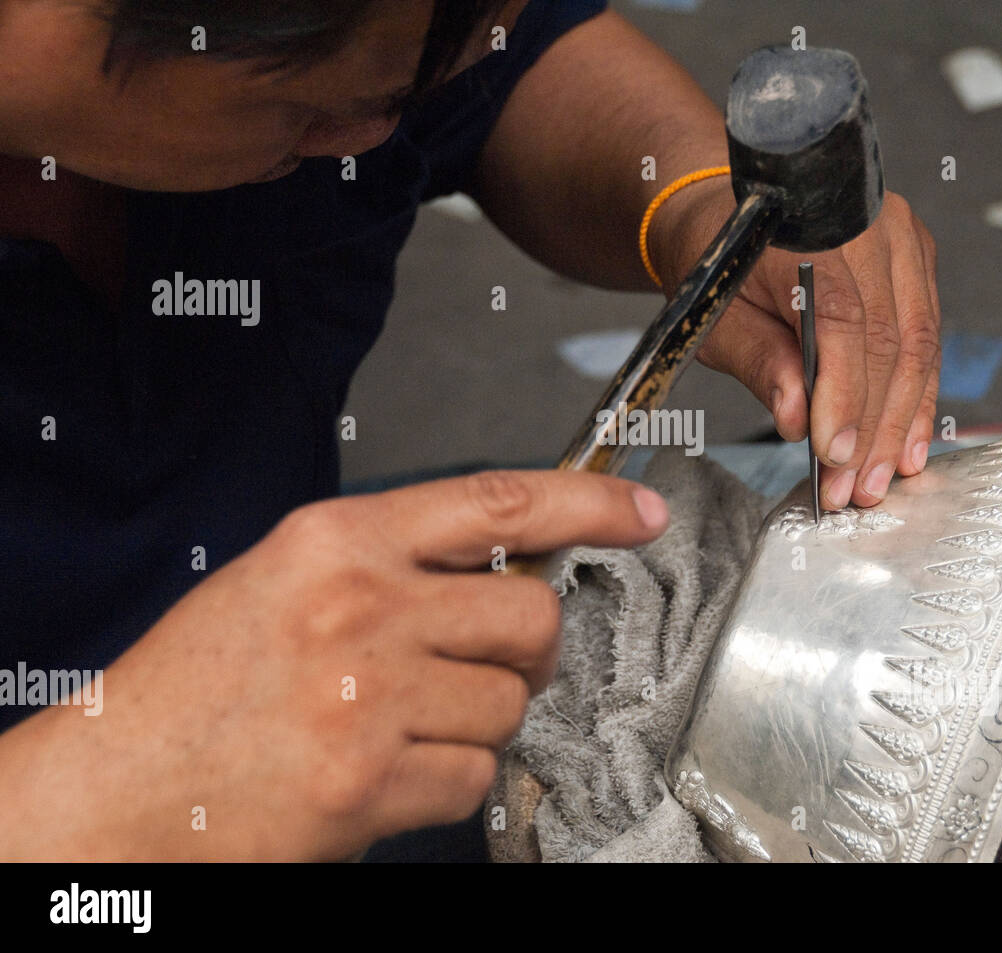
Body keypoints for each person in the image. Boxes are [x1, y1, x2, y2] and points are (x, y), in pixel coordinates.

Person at [0, 0, 940, 859]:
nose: (376, 134)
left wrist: (691, 205)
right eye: (312, 108)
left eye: (411, 88)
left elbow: (513, 69)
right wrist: (104, 786)